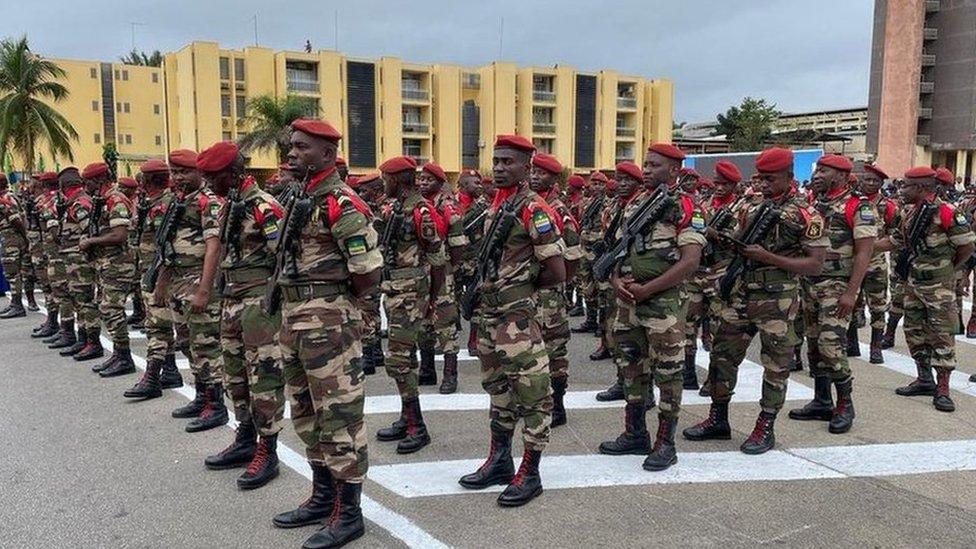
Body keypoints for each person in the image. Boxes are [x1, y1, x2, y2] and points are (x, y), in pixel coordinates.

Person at [269, 118, 380, 548]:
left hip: (329, 323)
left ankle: (349, 513)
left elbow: (368, 274)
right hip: (295, 319)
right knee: (306, 413)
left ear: (328, 155)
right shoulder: (301, 197)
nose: (292, 152)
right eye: (291, 146)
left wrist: (330, 300)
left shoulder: (341, 203)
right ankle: (322, 497)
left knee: (340, 418)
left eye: (302, 147)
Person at [683, 148, 827, 454]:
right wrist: (713, 235)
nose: (762, 184)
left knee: (775, 366)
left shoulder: (806, 214)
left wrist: (769, 258)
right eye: (759, 177)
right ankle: (717, 419)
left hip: (777, 300)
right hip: (739, 294)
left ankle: (765, 426)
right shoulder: (747, 205)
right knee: (721, 357)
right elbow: (732, 241)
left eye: (770, 179)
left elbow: (815, 264)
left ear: (789, 177)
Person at [457, 135, 564, 507]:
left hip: (515, 319)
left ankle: (530, 471)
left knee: (534, 395)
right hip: (490, 317)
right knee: (497, 390)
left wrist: (519, 289)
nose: (500, 168)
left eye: (509, 162)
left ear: (527, 167)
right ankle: (500, 459)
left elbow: (556, 270)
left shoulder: (532, 209)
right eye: (497, 161)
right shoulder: (496, 206)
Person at [598, 143, 704, 472]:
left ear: (674, 170)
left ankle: (665, 442)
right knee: (631, 367)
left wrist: (648, 289)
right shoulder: (636, 205)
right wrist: (616, 281)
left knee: (668, 373)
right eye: (645, 164)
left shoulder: (686, 207)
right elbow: (618, 249)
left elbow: (690, 263)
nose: (646, 170)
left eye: (654, 165)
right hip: (628, 301)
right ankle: (635, 433)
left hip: (665, 305)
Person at [189, 141, 287, 489]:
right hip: (232, 301)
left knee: (264, 378)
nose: (208, 184)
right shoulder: (230, 205)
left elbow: (283, 259)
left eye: (213, 177)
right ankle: (245, 437)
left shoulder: (264, 207)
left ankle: (268, 450)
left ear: (232, 174)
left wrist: (274, 305)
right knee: (235, 375)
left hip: (258, 304)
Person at [875, 166, 976, 411]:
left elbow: (967, 246)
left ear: (921, 188)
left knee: (941, 336)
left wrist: (948, 269)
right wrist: (865, 248)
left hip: (939, 287)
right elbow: (896, 241)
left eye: (907, 185)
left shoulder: (947, 212)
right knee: (913, 331)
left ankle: (943, 389)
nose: (901, 189)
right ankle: (924, 379)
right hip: (913, 283)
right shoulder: (910, 212)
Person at [789, 155, 876, 434]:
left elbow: (864, 252)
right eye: (817, 170)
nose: (816, 175)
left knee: (831, 345)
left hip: (837, 286)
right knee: (813, 345)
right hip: (811, 285)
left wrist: (852, 293)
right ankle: (822, 400)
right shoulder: (816, 204)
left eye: (823, 171)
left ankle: (845, 404)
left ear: (841, 175)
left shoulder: (858, 206)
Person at [152, 149, 228, 433]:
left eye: (184, 172)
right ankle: (201, 397)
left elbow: (214, 246)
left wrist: (204, 291)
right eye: (174, 172)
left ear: (199, 173)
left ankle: (216, 405)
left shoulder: (208, 202)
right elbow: (167, 247)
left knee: (206, 346)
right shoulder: (178, 202)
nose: (178, 178)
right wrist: (162, 282)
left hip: (198, 282)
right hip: (178, 283)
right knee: (187, 344)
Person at [374, 155, 445, 454]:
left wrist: (432, 298)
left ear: (398, 181)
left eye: (386, 178)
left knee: (398, 361)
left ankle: (418, 426)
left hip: (410, 292)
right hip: (395, 290)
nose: (382, 183)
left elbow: (437, 258)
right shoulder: (397, 208)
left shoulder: (421, 211)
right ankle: (407, 416)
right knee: (406, 359)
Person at [123, 158, 185, 400]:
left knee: (157, 325)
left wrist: (160, 280)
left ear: (150, 180)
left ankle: (152, 376)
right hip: (149, 270)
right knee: (157, 322)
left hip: (161, 272)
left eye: (143, 178)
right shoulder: (150, 203)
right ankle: (169, 370)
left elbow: (166, 246)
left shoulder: (166, 205)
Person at [529, 152, 582, 426]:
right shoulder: (530, 205)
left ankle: (558, 406)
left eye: (541, 173)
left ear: (552, 178)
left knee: (555, 350)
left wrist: (559, 284)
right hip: (532, 291)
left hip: (549, 294)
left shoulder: (558, 210)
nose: (535, 176)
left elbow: (573, 254)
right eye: (533, 171)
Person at [79, 163, 137, 372]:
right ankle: (118, 353)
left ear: (100, 180)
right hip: (107, 263)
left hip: (118, 264)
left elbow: (119, 235)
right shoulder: (103, 200)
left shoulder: (116, 200)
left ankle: (124, 357)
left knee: (111, 309)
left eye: (89, 181)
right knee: (104, 307)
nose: (86, 186)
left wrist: (91, 242)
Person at [417, 162, 466, 393]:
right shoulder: (418, 204)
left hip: (443, 269)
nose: (423, 182)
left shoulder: (448, 206)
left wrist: (451, 269)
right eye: (421, 179)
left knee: (445, 322)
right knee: (424, 321)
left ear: (439, 183)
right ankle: (427, 370)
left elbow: (457, 245)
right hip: (422, 270)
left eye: (428, 180)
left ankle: (450, 375)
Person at [850, 163, 898, 364]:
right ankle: (851, 344)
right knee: (851, 304)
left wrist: (871, 246)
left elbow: (896, 235)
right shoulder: (852, 202)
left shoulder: (887, 206)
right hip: (852, 264)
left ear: (881, 184)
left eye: (875, 181)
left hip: (875, 265)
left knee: (877, 306)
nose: (870, 183)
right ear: (861, 180)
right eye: (867, 179)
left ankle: (876, 347)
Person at [55, 167, 100, 359]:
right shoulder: (74, 202)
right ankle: (83, 340)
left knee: (85, 303)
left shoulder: (80, 204)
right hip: (74, 261)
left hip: (80, 261)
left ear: (64, 186)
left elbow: (89, 233)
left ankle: (93, 342)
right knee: (79, 302)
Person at [0, 174, 29, 318]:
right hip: (12, 237)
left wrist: (26, 238)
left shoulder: (5, 199)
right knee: (12, 273)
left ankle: (17, 306)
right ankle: (14, 304)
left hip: (11, 238)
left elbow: (16, 220)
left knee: (13, 273)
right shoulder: (8, 196)